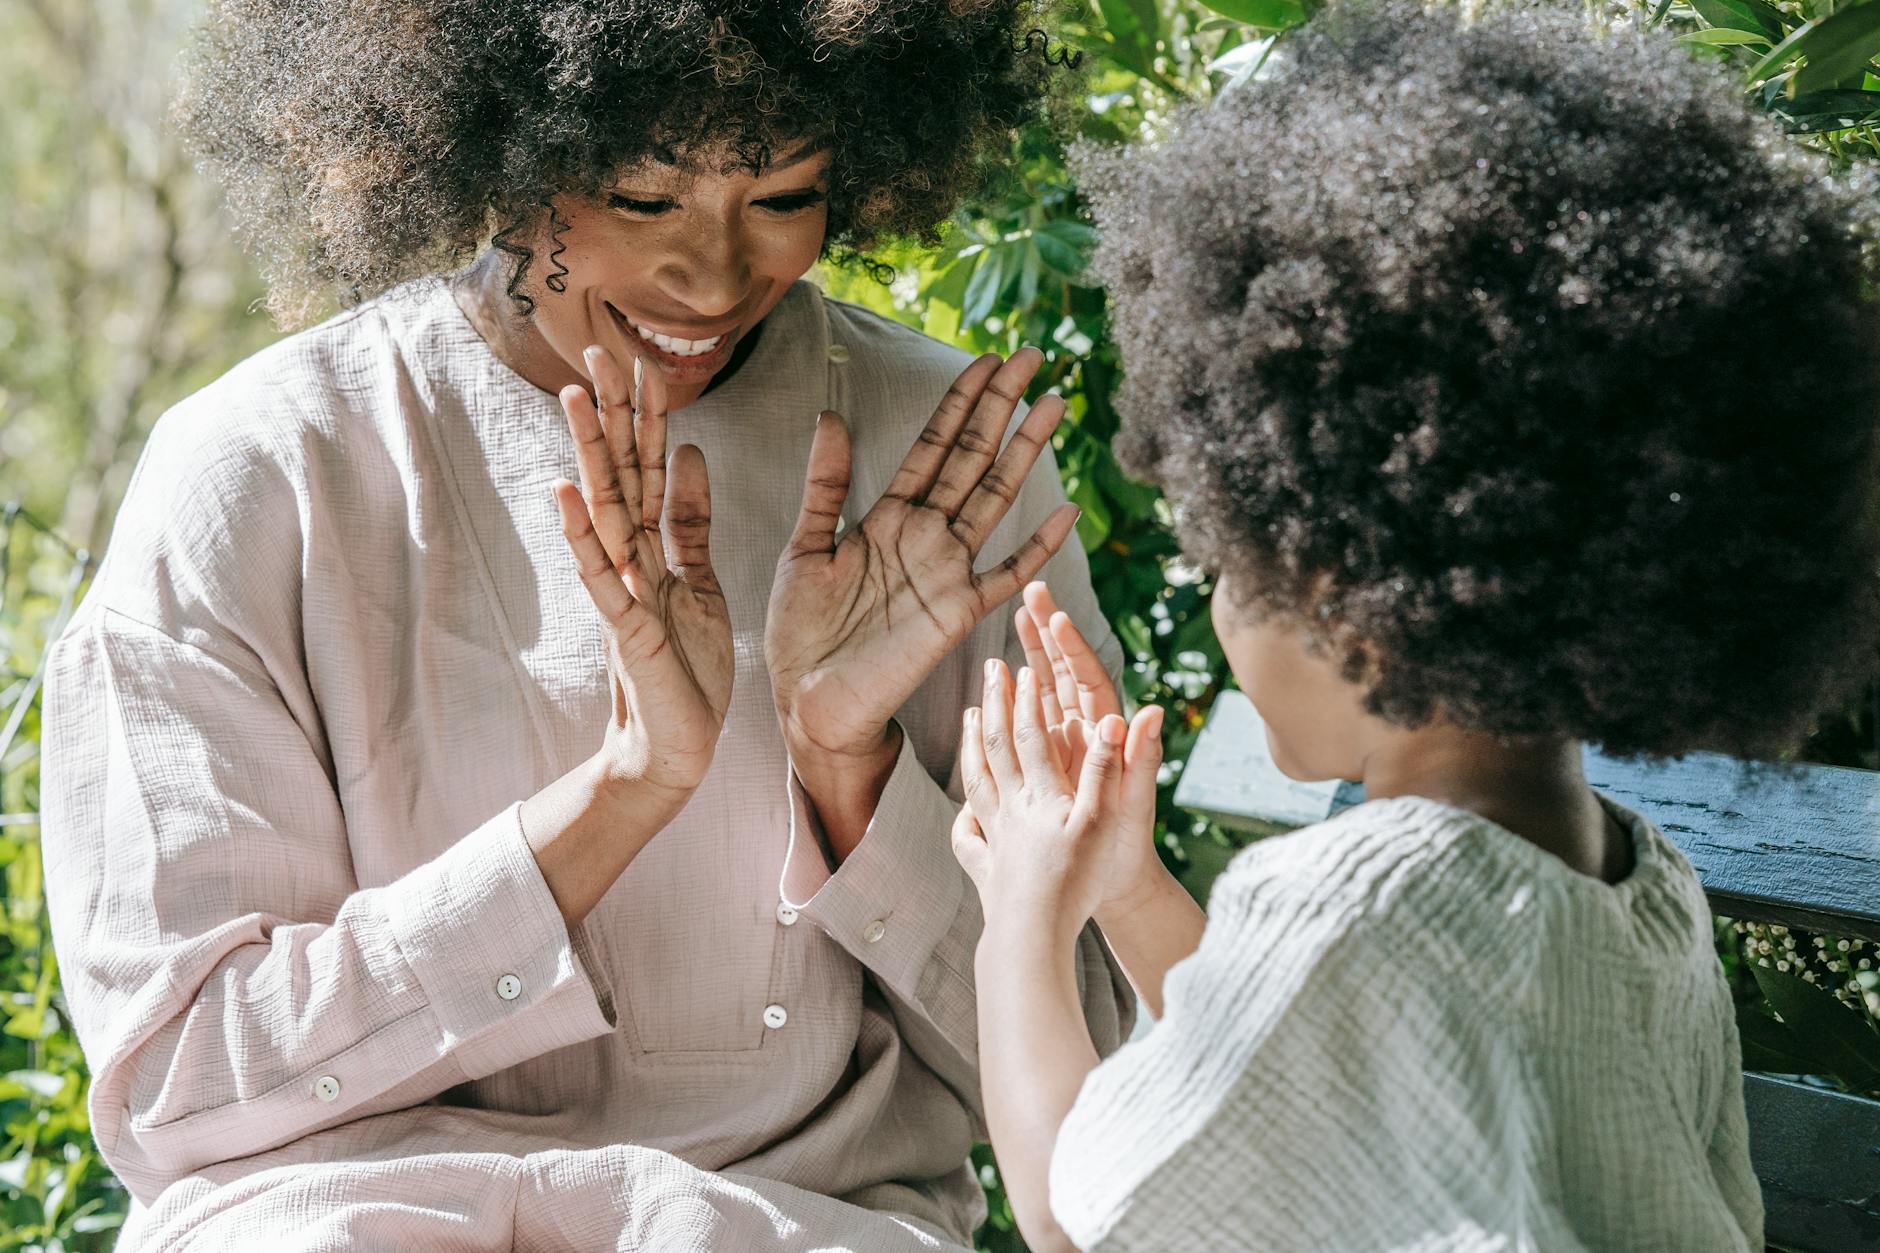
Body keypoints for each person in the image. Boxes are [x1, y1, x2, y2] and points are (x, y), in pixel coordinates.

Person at [38, 3, 1132, 1249]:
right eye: (640, 196)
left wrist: (851, 770)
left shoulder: (943, 469)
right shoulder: (260, 472)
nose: (716, 278)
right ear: (496, 155)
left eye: (782, 197)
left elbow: (1100, 1078)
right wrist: (623, 792)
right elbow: (184, 1080)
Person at [949, 4, 1880, 1250]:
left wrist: (1021, 910)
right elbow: (1292, 1100)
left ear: (1348, 601)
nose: (1214, 598)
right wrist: (1125, 885)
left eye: (1225, 555)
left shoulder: (1343, 900)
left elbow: (1081, 1211)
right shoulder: (1639, 887)